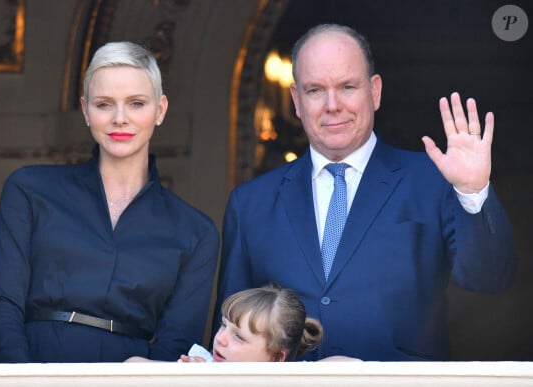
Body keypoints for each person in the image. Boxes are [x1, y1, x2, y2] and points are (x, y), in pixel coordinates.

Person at [214, 23, 518, 361]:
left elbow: (491, 279)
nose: (332, 105)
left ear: (374, 92)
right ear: (296, 100)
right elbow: (227, 335)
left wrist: (474, 191)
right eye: (315, 90)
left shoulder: (433, 181)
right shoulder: (251, 203)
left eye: (347, 86)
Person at [0, 41, 220, 363]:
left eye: (136, 103)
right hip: (32, 367)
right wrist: (21, 378)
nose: (120, 118)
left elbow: (176, 340)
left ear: (160, 110)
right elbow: (1, 303)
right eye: (104, 104)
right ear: (85, 110)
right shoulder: (29, 189)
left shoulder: (196, 232)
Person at [127, 282, 357, 362]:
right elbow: (133, 364)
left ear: (277, 358)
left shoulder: (286, 379)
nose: (221, 339)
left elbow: (348, 364)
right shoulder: (204, 366)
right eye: (223, 325)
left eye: (239, 337)